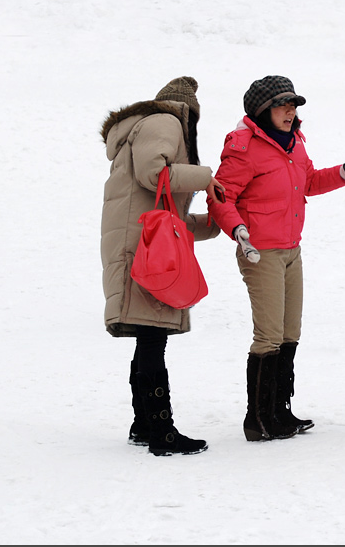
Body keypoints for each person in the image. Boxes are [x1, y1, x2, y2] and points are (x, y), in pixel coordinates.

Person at [208, 75, 345, 442]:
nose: (290, 112)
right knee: (269, 335)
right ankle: (257, 420)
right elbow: (220, 197)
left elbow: (308, 182)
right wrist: (238, 231)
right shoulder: (243, 146)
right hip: (260, 253)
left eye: (294, 105)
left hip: (292, 249)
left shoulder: (295, 143)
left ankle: (280, 411)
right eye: (282, 105)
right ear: (262, 110)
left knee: (290, 333)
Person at [100, 76, 224, 456]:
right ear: (188, 112)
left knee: (147, 337)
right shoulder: (163, 121)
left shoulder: (141, 128)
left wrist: (209, 225)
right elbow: (154, 176)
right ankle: (161, 431)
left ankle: (143, 424)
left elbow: (164, 213)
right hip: (143, 249)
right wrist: (207, 179)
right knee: (153, 337)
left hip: (140, 242)